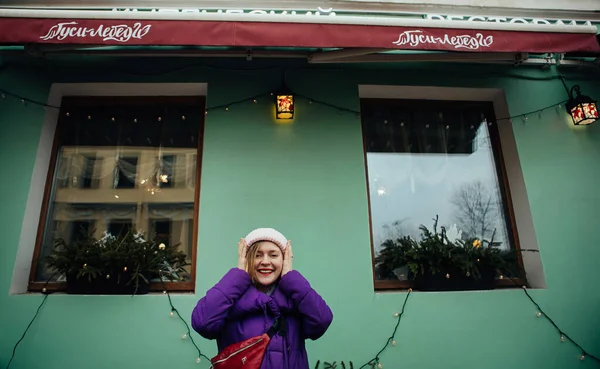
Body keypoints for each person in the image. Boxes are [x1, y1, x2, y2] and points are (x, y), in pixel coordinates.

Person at [191, 227, 333, 369]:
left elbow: (321, 321)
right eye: (257, 255)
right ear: (247, 259)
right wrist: (239, 274)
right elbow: (202, 323)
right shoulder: (230, 298)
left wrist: (291, 277)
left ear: (285, 260)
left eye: (273, 255)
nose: (265, 261)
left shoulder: (296, 298)